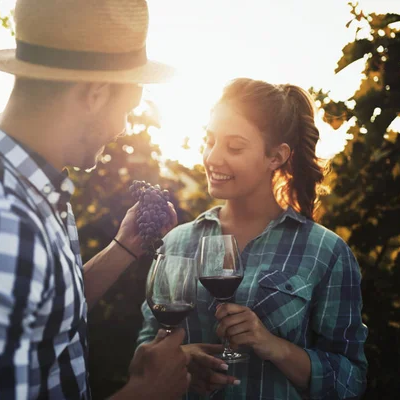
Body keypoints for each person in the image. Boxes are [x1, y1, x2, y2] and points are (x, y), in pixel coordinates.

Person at [0, 0, 191, 399]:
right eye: (128, 110)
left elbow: (43, 313)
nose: (121, 128)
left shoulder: (23, 191)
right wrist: (146, 392)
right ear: (96, 94)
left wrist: (123, 247)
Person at [137, 78, 368, 399]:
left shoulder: (325, 251)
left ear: (276, 156)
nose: (213, 158)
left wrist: (274, 346)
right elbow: (144, 351)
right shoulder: (177, 243)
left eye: (234, 147)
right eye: (210, 140)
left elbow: (351, 381)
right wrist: (180, 362)